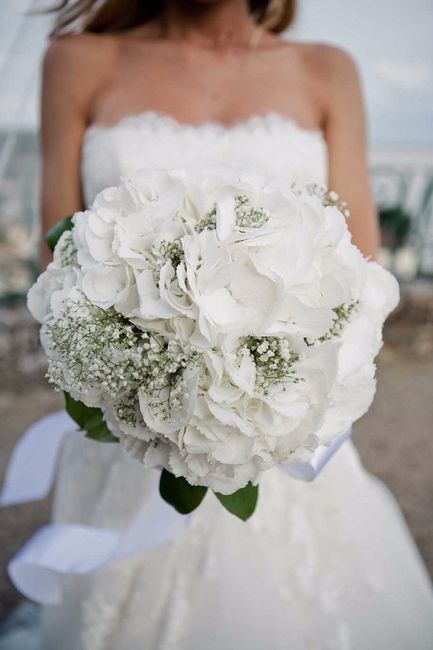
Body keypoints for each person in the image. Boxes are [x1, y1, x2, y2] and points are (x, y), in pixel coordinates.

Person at [36, 1, 433, 648]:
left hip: (282, 417)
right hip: (131, 421)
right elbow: (59, 262)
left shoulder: (325, 70)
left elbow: (359, 267)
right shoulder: (78, 61)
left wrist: (264, 389)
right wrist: (150, 358)